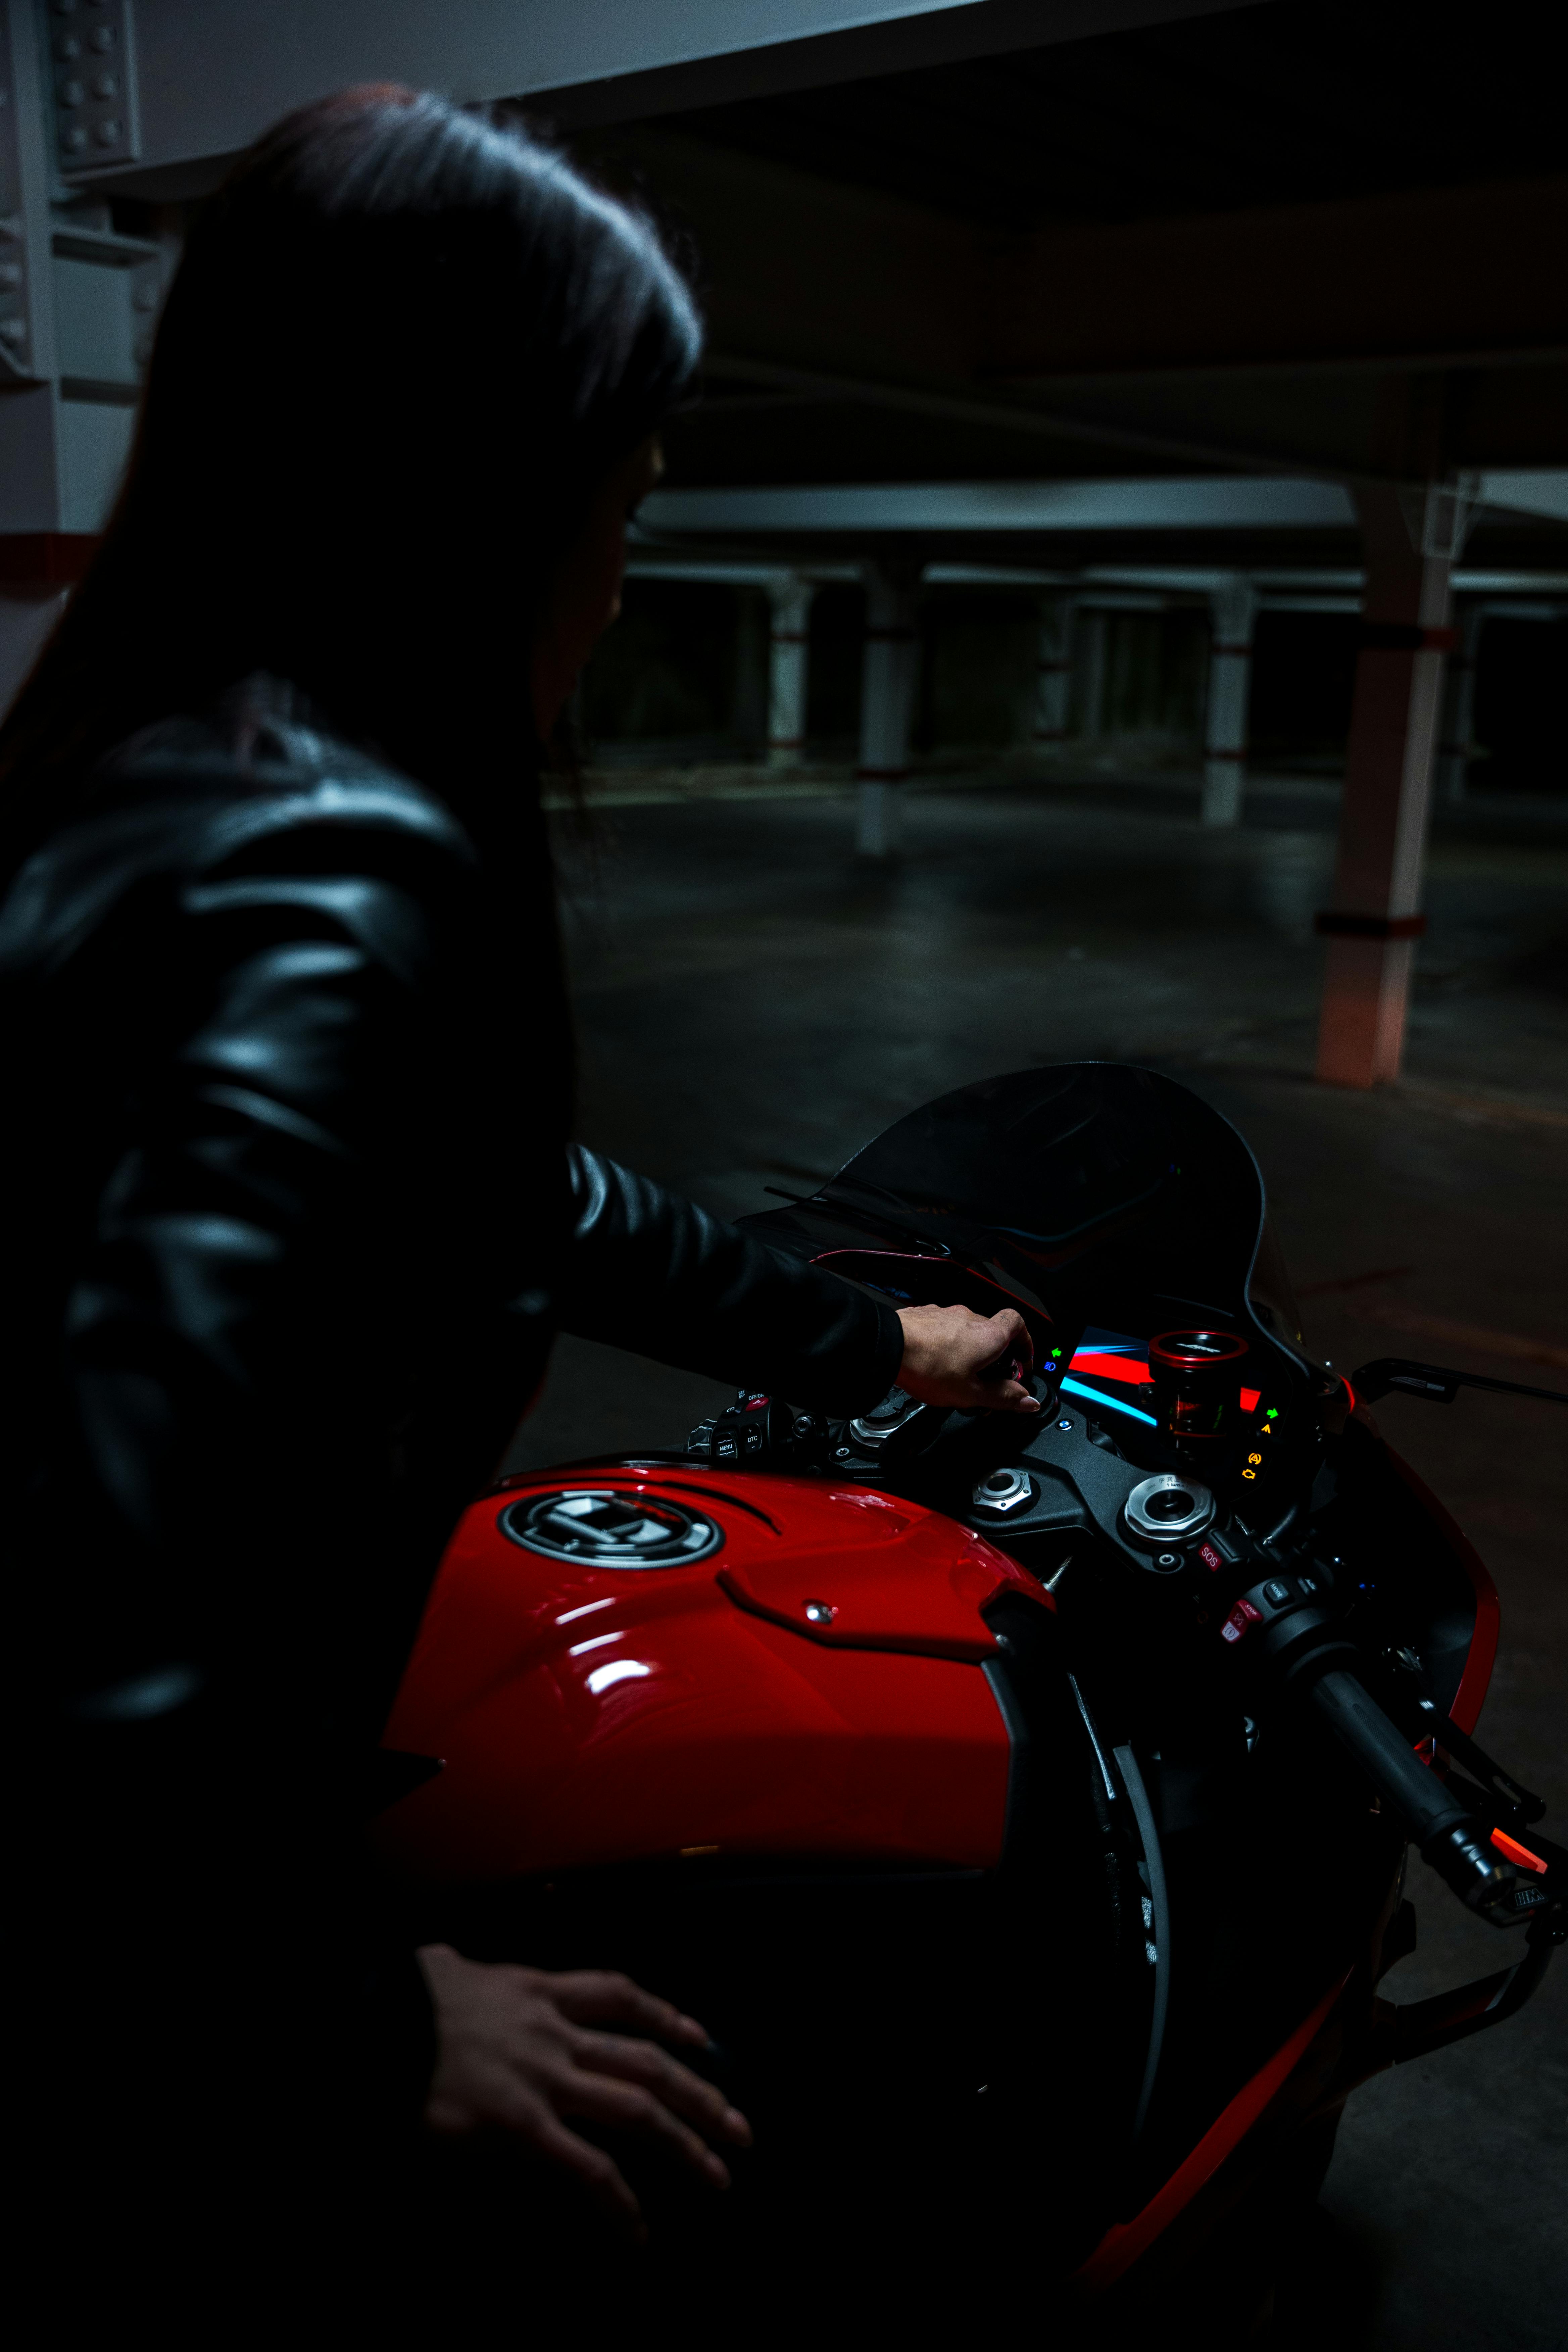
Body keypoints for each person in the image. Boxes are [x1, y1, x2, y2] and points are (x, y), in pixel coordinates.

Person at [0, 87, 1037, 2297]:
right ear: (477, 493)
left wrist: (876, 1344)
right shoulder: (328, 872)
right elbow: (106, 1630)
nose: (625, 572)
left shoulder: (135, 785)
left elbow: (494, 1187)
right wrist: (356, 2028)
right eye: (624, 496)